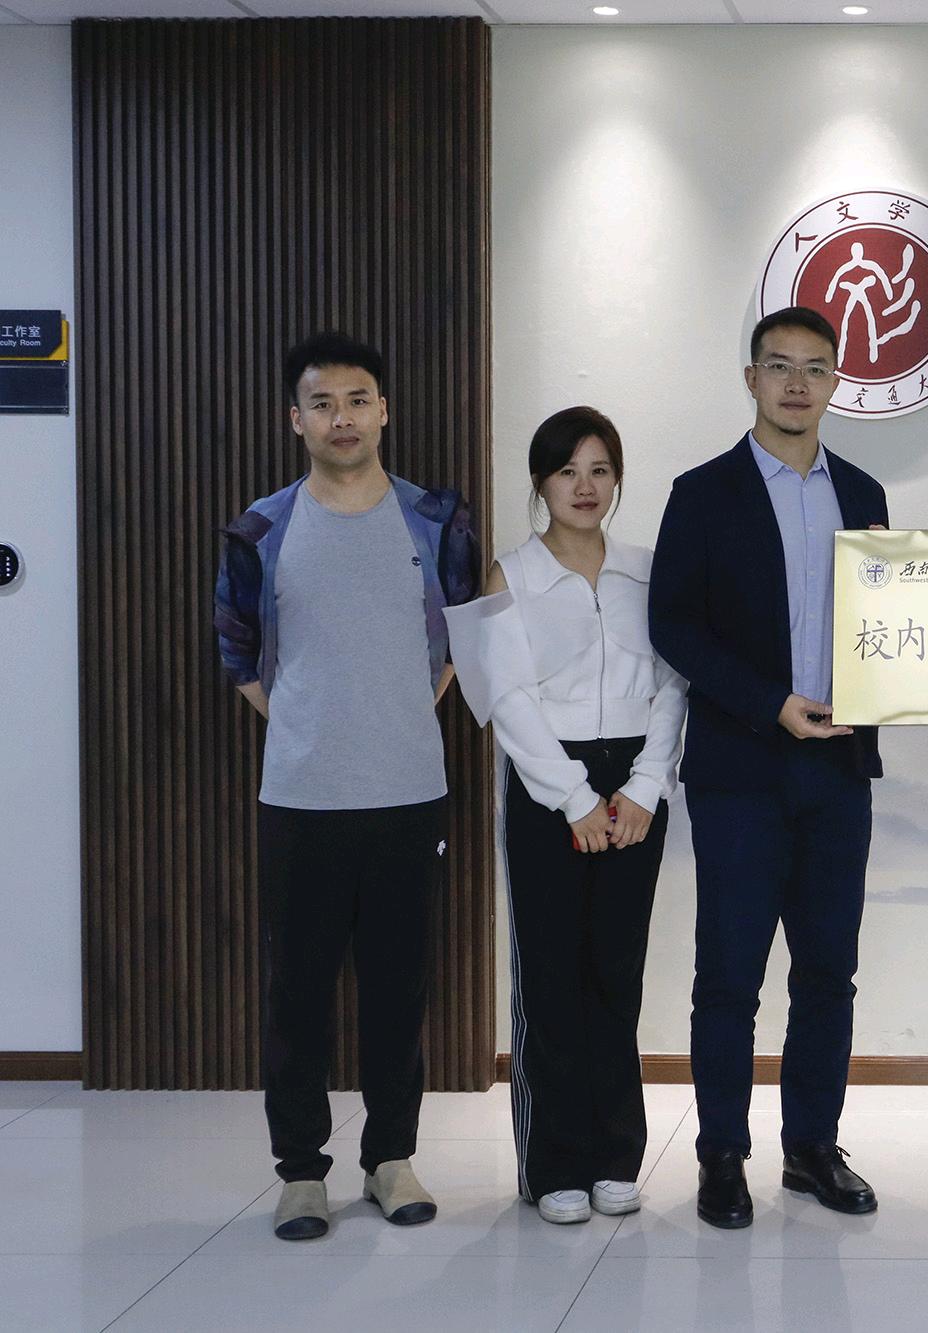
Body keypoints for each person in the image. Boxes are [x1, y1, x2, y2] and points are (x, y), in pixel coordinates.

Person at [213, 332, 479, 1241]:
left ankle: (390, 1157)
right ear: (296, 419)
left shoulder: (435, 520)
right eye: (322, 403)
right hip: (301, 796)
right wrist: (305, 719)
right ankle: (300, 1171)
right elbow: (238, 650)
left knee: (399, 988)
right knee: (297, 992)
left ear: (384, 411)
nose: (342, 418)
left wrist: (396, 707)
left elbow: (459, 637)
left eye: (358, 400)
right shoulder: (261, 528)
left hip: (408, 792)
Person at [649, 306, 889, 1230]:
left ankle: (811, 1147)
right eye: (779, 365)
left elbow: (890, 624)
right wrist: (769, 702)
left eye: (816, 368)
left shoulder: (863, 491)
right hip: (741, 768)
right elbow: (674, 624)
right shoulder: (702, 492)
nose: (797, 383)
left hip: (839, 770)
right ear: (750, 377)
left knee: (828, 971)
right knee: (729, 976)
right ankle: (721, 1153)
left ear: (837, 383)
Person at [445, 406, 688, 1226]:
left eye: (600, 470)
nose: (585, 487)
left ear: (617, 479)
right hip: (549, 785)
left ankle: (616, 1156)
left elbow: (673, 684)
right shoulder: (507, 576)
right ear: (540, 481)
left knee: (617, 973)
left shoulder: (648, 571)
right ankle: (553, 1163)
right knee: (550, 975)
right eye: (566, 471)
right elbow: (507, 702)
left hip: (635, 789)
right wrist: (576, 799)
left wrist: (646, 785)